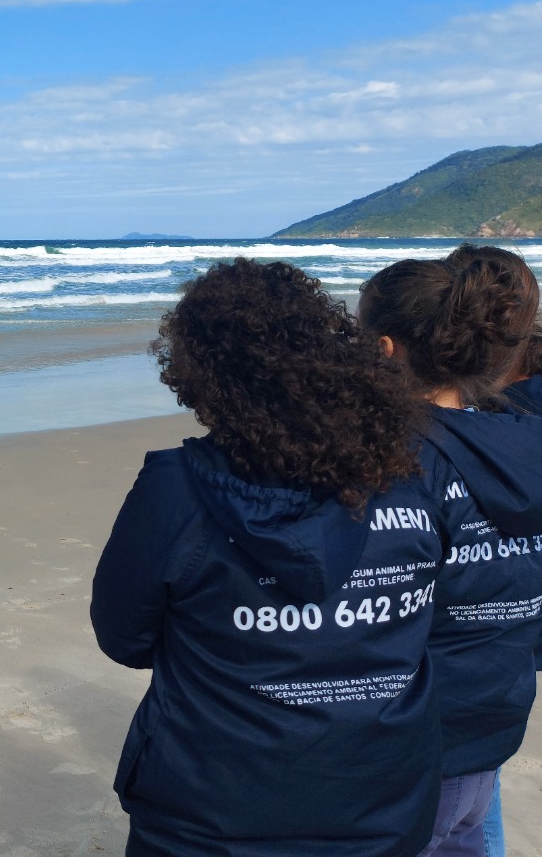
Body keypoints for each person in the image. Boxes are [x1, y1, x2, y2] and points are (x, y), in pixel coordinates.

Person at [92, 258, 460, 855]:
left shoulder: (178, 492)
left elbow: (124, 636)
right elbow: (423, 618)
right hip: (383, 807)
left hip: (211, 817)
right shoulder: (412, 473)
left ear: (197, 374)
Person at [358, 255, 542, 857]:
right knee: (472, 801)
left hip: (452, 678)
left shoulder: (476, 437)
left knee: (446, 808)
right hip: (509, 661)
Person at [442, 243, 542, 857]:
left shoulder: (496, 430)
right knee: (478, 788)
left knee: (454, 795)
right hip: (535, 630)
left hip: (476, 637)